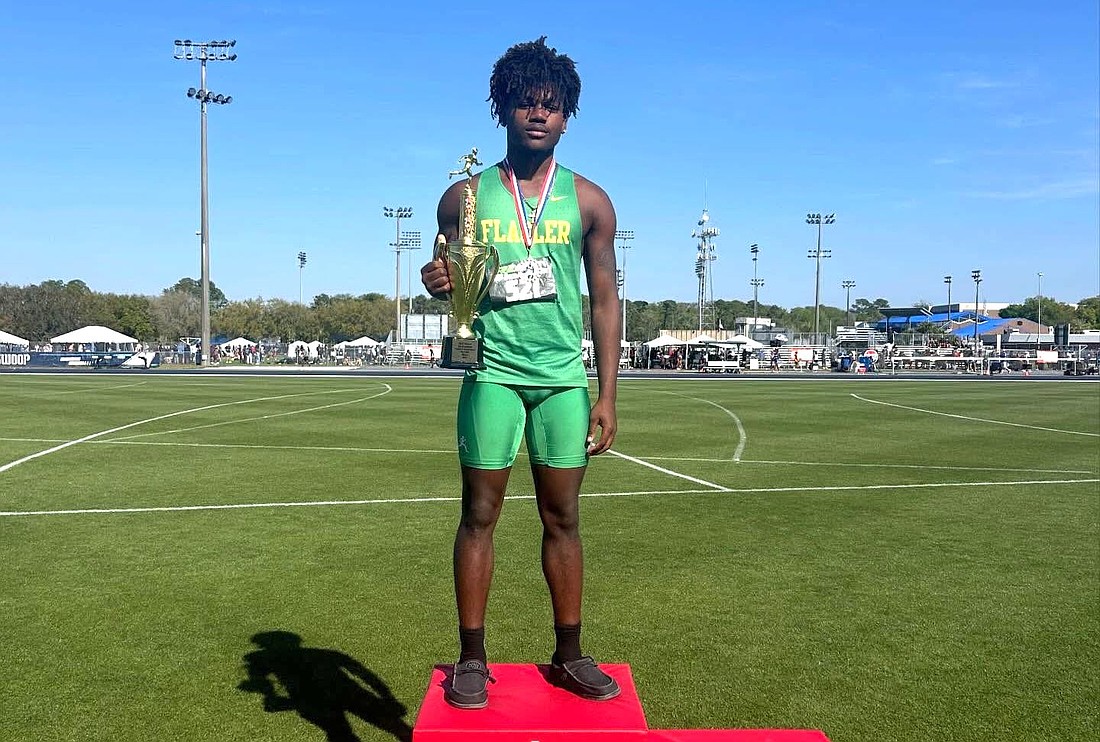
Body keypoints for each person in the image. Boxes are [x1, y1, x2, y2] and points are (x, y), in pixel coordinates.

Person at [420, 36, 621, 710]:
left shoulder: (589, 202)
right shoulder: (464, 197)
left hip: (563, 379)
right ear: (502, 108)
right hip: (494, 376)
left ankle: (570, 653)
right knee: (480, 514)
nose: (539, 114)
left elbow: (605, 300)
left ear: (567, 117)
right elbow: (452, 286)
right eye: (526, 102)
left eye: (552, 106)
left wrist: (608, 395)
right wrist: (435, 281)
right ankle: (470, 658)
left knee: (563, 518)